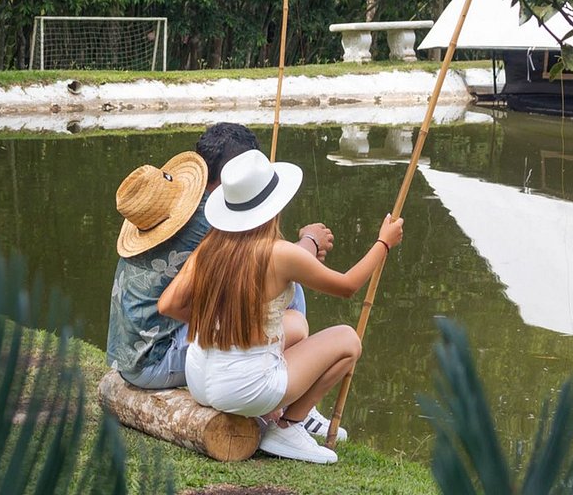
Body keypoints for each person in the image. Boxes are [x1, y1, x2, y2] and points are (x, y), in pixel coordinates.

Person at [158, 148, 404, 464]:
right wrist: (383, 243)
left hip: (199, 379)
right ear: (274, 206)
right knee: (348, 341)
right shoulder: (279, 253)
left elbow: (168, 304)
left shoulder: (211, 246)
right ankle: (289, 426)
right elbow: (347, 286)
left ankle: (272, 407)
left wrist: (214, 322)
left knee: (297, 325)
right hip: (243, 389)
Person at [106, 123, 334, 418]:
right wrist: (311, 241)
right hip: (154, 361)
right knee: (292, 291)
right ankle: (289, 406)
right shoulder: (209, 219)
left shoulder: (168, 208)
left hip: (128, 356)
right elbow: (278, 262)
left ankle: (285, 394)